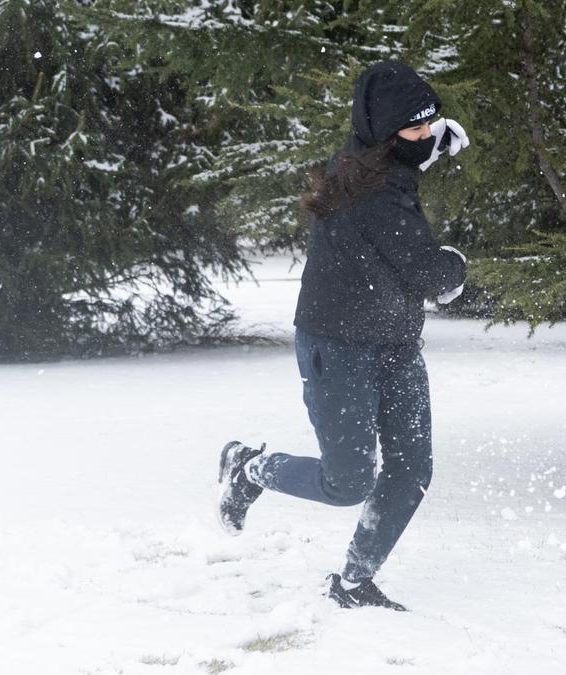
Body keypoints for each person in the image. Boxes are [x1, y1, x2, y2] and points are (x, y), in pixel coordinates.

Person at [217, 60, 470, 611]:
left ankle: (353, 583)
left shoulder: (368, 163)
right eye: (414, 129)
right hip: (338, 348)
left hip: (396, 344)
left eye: (430, 124)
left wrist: (429, 144)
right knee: (348, 483)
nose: (424, 136)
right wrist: (457, 265)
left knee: (411, 471)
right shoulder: (374, 195)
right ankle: (249, 467)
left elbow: (402, 163)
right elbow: (428, 272)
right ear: (384, 134)